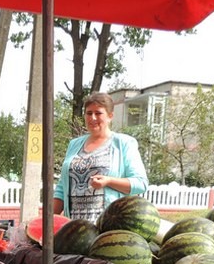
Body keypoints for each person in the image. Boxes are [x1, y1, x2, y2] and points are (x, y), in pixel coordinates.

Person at [53, 92, 148, 222]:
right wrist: (45, 222)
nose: (92, 118)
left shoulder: (124, 143)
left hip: (109, 227)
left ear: (110, 116)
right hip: (74, 228)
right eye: (88, 113)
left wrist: (109, 181)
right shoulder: (74, 145)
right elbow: (62, 188)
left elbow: (140, 183)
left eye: (98, 113)